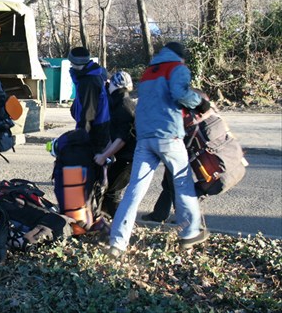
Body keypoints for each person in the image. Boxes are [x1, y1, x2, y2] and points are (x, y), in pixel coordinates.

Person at [108, 41, 211, 258]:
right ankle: (190, 232)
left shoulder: (148, 72)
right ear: (180, 57)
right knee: (183, 183)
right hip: (169, 136)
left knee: (134, 191)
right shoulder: (177, 68)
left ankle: (117, 242)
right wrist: (200, 103)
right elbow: (180, 93)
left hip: (145, 137)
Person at [93, 71, 137, 218]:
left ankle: (121, 225)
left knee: (113, 192)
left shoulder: (123, 106)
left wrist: (104, 155)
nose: (107, 86)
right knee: (108, 190)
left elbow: (121, 139)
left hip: (129, 158)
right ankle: (105, 221)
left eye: (110, 83)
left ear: (115, 85)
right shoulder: (122, 102)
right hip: (127, 157)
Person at [68, 47, 110, 154]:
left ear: (74, 62)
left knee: (92, 164)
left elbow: (89, 111)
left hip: (95, 131)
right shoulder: (95, 74)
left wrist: (80, 136)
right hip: (102, 126)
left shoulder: (88, 81)